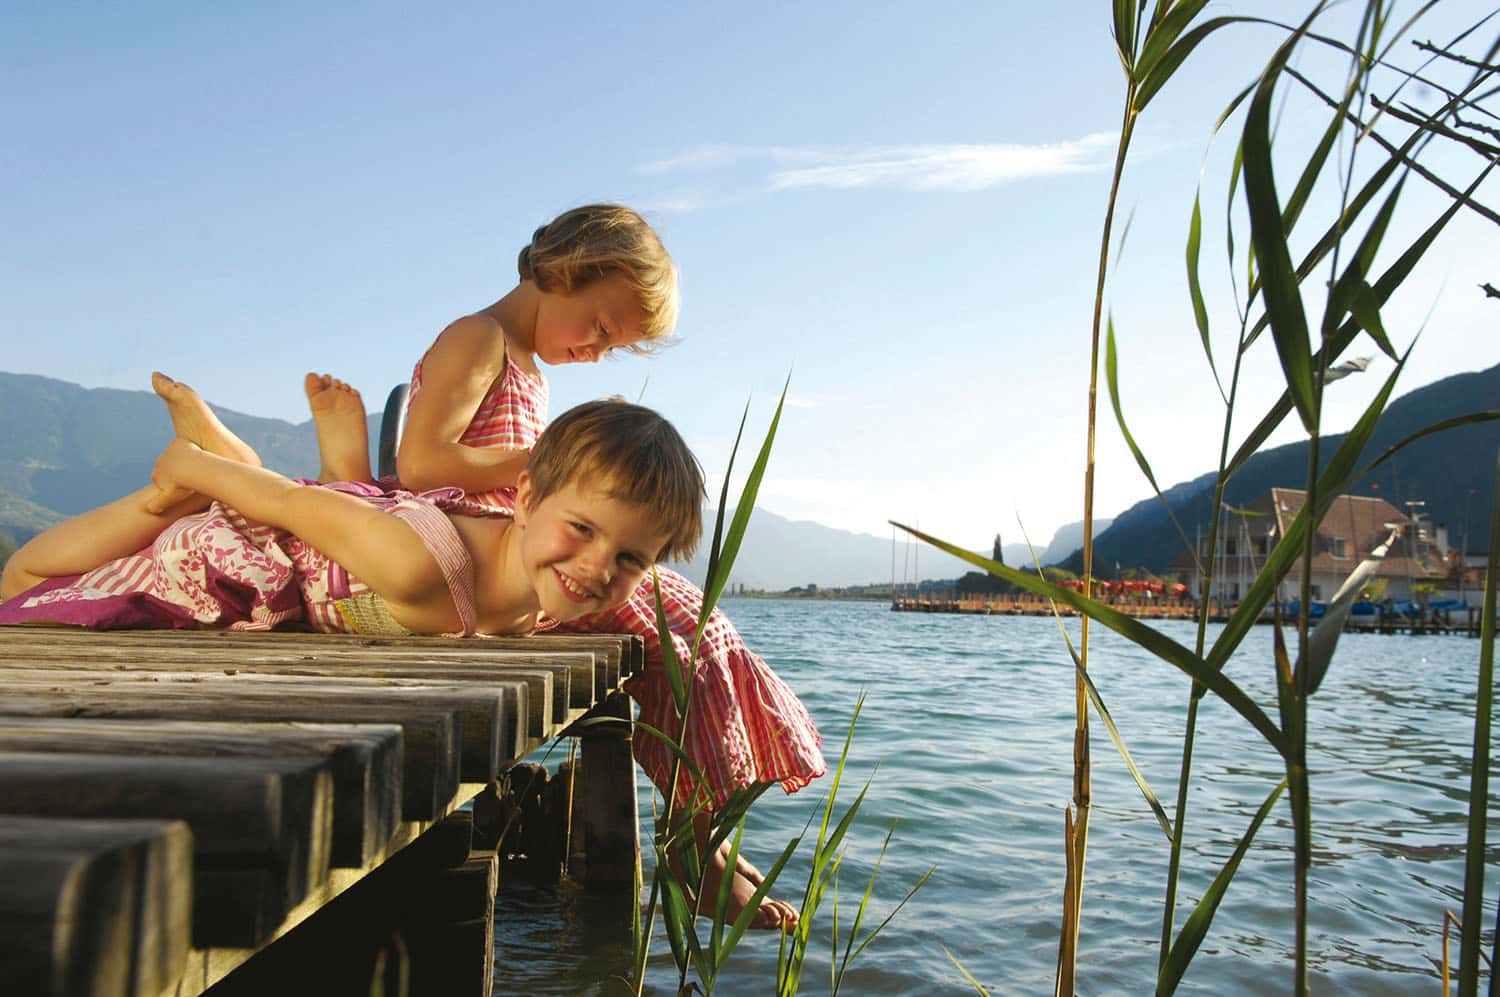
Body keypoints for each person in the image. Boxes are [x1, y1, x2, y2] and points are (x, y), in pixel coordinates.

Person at [321, 203, 825, 930]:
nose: (594, 352)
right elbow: (422, 462)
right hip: (487, 557)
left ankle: (698, 823)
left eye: (611, 347)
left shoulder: (527, 366)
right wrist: (558, 464)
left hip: (531, 559)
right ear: (566, 269)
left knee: (696, 627)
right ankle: (691, 842)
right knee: (682, 624)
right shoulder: (480, 338)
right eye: (600, 327)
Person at [0, 374, 703, 643]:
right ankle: (200, 473)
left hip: (335, 542)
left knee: (316, 506)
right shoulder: (420, 567)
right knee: (19, 582)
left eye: (629, 557)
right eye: (581, 529)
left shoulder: (546, 595)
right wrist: (197, 476)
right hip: (238, 555)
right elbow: (285, 504)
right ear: (524, 499)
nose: (597, 567)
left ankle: (266, 467)